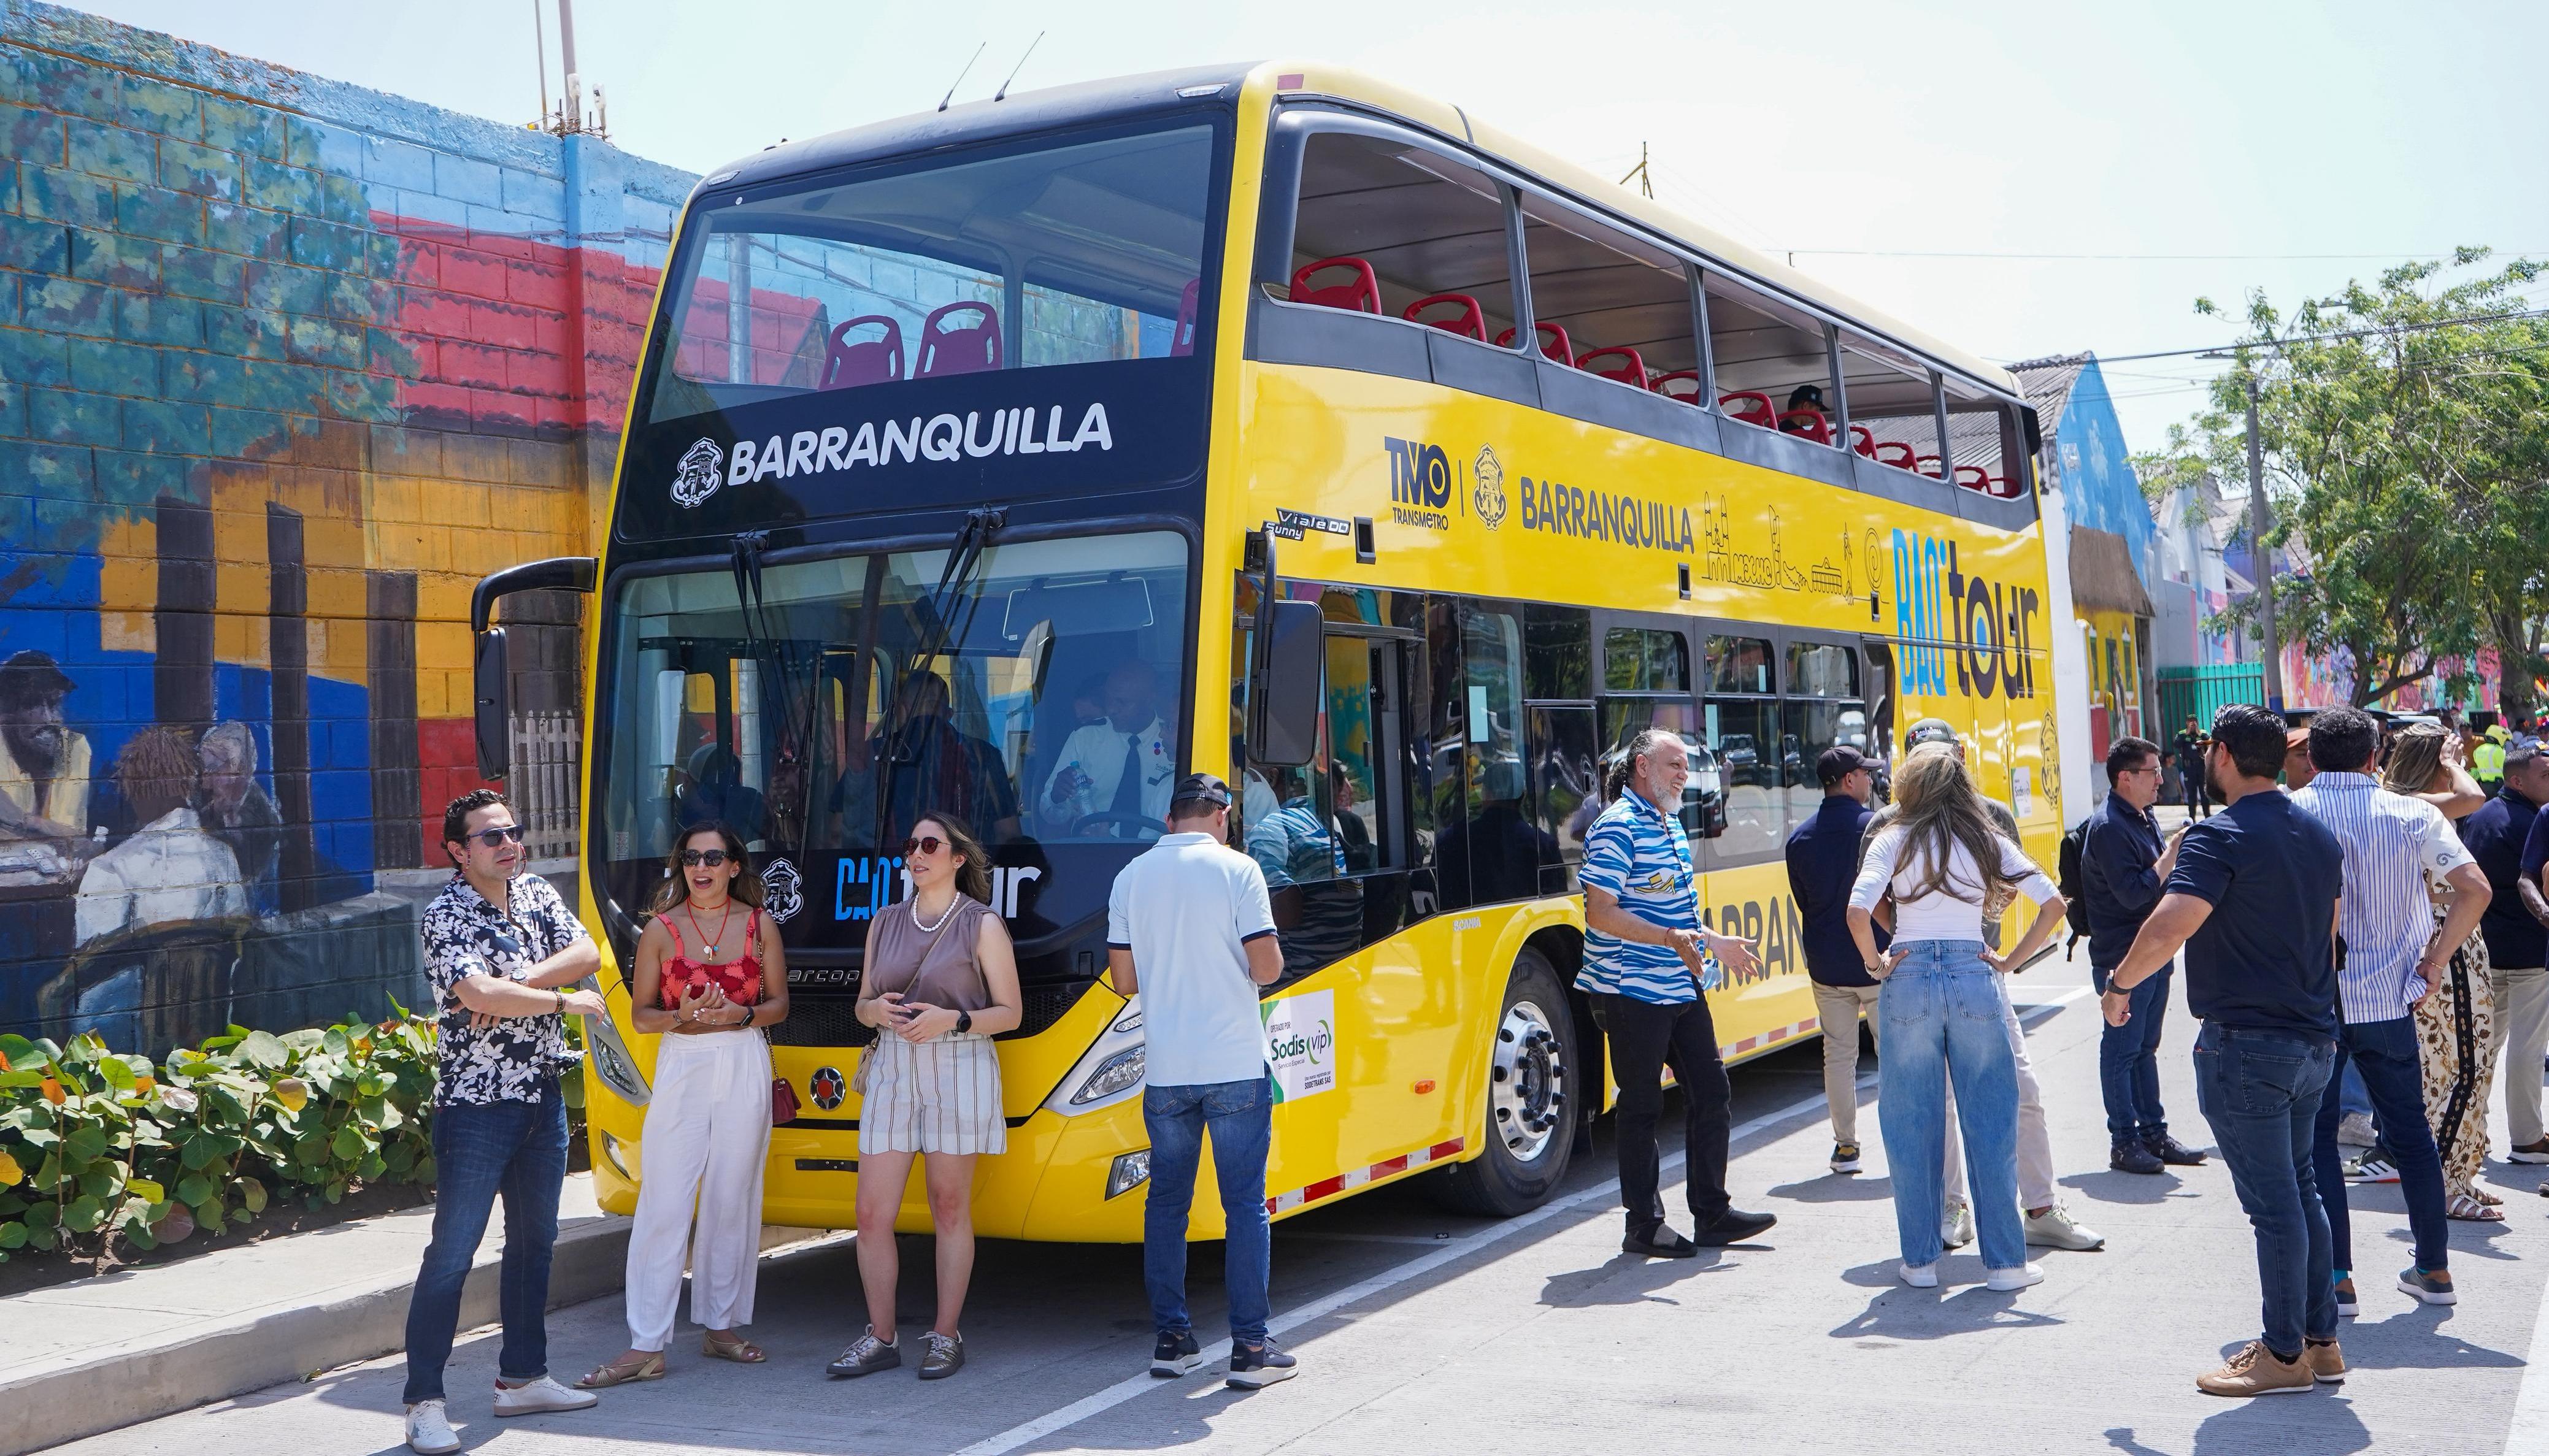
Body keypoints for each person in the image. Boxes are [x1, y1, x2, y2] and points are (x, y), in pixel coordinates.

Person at [2098, 702, 2347, 1397]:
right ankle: (2319, 1343)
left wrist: (2120, 985)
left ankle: (2283, 1353)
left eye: (2212, 750)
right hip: (2311, 1038)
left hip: (2249, 1045)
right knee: (2300, 1192)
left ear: (2226, 756)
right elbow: (2328, 941)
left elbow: (2171, 924)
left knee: (2276, 1206)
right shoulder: (2320, 835)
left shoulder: (2219, 835)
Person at [403, 789, 606, 1455]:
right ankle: (423, 1402)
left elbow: (588, 955)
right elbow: (475, 993)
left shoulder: (538, 894)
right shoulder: (445, 913)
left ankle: (522, 1377)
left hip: (540, 1098)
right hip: (475, 1106)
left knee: (534, 1244)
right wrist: (555, 1000)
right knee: (452, 1255)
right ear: (460, 851)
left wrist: (517, 994)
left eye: (512, 832)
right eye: (491, 837)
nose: (509, 843)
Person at [1868, 720, 2102, 1254]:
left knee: (2021, 1091)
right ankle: (1954, 1208)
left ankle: (2040, 1208)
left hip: (1979, 973)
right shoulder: (1888, 822)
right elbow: (1874, 898)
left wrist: (1985, 941)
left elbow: (2013, 889)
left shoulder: (1989, 815)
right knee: (1938, 1103)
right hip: (1926, 973)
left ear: (1959, 755)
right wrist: (1912, 940)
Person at [2291, 706, 2490, 1317]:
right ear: (2375, 756)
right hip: (2389, 998)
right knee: (2411, 1136)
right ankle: (2433, 1265)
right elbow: (2475, 888)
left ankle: (2338, 1277)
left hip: (2314, 1001)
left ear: (2312, 757)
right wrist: (2434, 959)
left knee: (2318, 1140)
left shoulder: (2292, 811)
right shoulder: (2412, 812)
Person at [1847, 747, 2067, 1293]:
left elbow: (1856, 911)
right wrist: (2011, 961)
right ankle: (2006, 1266)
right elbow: (2054, 904)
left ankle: (1920, 1263)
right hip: (1974, 970)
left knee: (1910, 1122)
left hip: (1909, 975)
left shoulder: (1890, 839)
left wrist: (1876, 962)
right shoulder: (1985, 838)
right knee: (1990, 1122)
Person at [1104, 774, 1298, 1389]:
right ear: (1222, 816)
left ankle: (1173, 1340)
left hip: (1167, 1071)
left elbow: (1124, 979)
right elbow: (1266, 966)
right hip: (1234, 1064)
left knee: (1167, 1203)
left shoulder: (1130, 877)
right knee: (1244, 1204)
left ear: (1170, 821)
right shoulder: (1240, 871)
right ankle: (1249, 1348)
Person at [580, 822, 790, 1389]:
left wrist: (739, 1016)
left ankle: (721, 1327)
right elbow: (640, 1014)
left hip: (743, 1059)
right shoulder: (660, 931)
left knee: (731, 1196)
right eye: (691, 858)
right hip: (683, 1062)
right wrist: (684, 1017)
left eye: (714, 858)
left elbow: (778, 1005)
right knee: (665, 1200)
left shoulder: (760, 926)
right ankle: (645, 1343)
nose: (702, 867)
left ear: (733, 867)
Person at [828, 813, 1021, 1382]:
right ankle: (880, 1336)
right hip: (891, 1065)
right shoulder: (884, 922)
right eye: (910, 844)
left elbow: (1008, 1013)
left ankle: (944, 1334)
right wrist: (875, 1011)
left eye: (930, 845)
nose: (916, 853)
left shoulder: (980, 923)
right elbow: (862, 1002)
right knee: (870, 1214)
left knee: (950, 1207)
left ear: (957, 858)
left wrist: (952, 1020)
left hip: (957, 1064)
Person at [1578, 729, 1775, 1257]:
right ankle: (1642, 1224)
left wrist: (1713, 941)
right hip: (1631, 988)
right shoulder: (1617, 827)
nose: (1684, 775)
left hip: (1678, 984)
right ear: (1641, 766)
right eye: (1673, 765)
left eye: (1685, 766)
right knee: (1641, 1107)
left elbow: (1675, 917)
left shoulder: (1664, 823)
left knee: (1711, 1094)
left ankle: (1711, 1213)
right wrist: (1669, 939)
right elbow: (1600, 913)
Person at [2382, 726, 2502, 1220]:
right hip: (2440, 946)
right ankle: (2445, 1184)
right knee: (2453, 1067)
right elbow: (2472, 796)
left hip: (2455, 940)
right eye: (2452, 754)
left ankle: (2462, 1173)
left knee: (2473, 1062)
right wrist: (2453, 762)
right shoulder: (2411, 803)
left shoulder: (2414, 804)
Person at [2079, 736, 2204, 1174]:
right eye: (2152, 772)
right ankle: (2123, 1140)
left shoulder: (2141, 816)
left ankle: (2153, 1132)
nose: (2160, 779)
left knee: (2144, 1049)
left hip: (2153, 953)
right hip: (2123, 958)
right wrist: (2170, 856)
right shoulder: (2110, 826)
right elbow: (2133, 896)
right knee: (2121, 1051)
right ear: (2124, 777)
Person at [1786, 745, 1884, 1174]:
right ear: (1849, 780)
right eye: (1865, 774)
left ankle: (1846, 1148)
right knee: (1895, 1055)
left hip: (1827, 967)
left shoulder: (1799, 839)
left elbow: (1805, 901)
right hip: (1877, 962)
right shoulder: (1877, 830)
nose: (1870, 781)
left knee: (1838, 1057)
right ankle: (1908, 1142)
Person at [73, 726, 250, 948]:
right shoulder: (223, 856)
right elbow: (239, 939)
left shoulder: (110, 869)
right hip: (214, 983)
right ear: (188, 784)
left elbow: (93, 967)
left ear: (139, 792)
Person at [2470, 738, 2549, 1162]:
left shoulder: (2480, 815)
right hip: (2528, 950)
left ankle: (2472, 1131)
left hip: (2485, 948)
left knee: (2484, 1046)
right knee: (2526, 1047)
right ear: (2517, 781)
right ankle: (2527, 1138)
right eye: (2544, 776)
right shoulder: (2532, 822)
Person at [1039, 659, 1174, 835]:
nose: (1111, 709)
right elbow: (1051, 816)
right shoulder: (1085, 738)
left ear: (1150, 701)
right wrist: (1057, 796)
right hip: (1092, 851)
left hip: (1154, 854)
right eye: (1108, 699)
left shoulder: (1172, 739)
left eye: (1122, 703)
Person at [0, 649, 91, 846]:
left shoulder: (74, 747)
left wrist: (22, 822)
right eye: (32, 705)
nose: (50, 718)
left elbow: (74, 839)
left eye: (54, 704)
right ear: (6, 714)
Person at [196, 722, 282, 897]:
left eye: (214, 770)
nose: (206, 783)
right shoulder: (205, 815)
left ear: (241, 770)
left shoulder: (266, 822)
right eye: (205, 771)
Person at [2175, 715, 2211, 819]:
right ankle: (2192, 818)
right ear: (2187, 723)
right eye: (2191, 721)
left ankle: (2207, 816)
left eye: (2195, 721)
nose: (2193, 723)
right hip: (2189, 768)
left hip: (2201, 767)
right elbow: (2176, 745)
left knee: (2204, 793)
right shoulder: (2182, 734)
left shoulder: (2203, 733)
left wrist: (2199, 734)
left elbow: (2210, 742)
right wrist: (2187, 733)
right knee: (2191, 794)